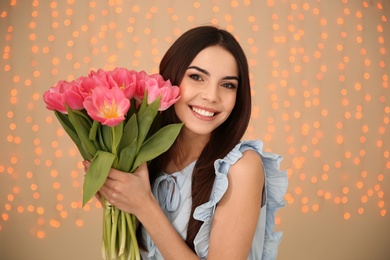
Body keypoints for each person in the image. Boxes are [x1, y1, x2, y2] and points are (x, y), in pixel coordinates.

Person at [84, 25, 287, 260]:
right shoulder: (144, 155)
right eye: (196, 77)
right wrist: (118, 200)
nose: (212, 96)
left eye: (228, 84)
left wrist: (143, 205)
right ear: (171, 78)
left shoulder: (240, 168)